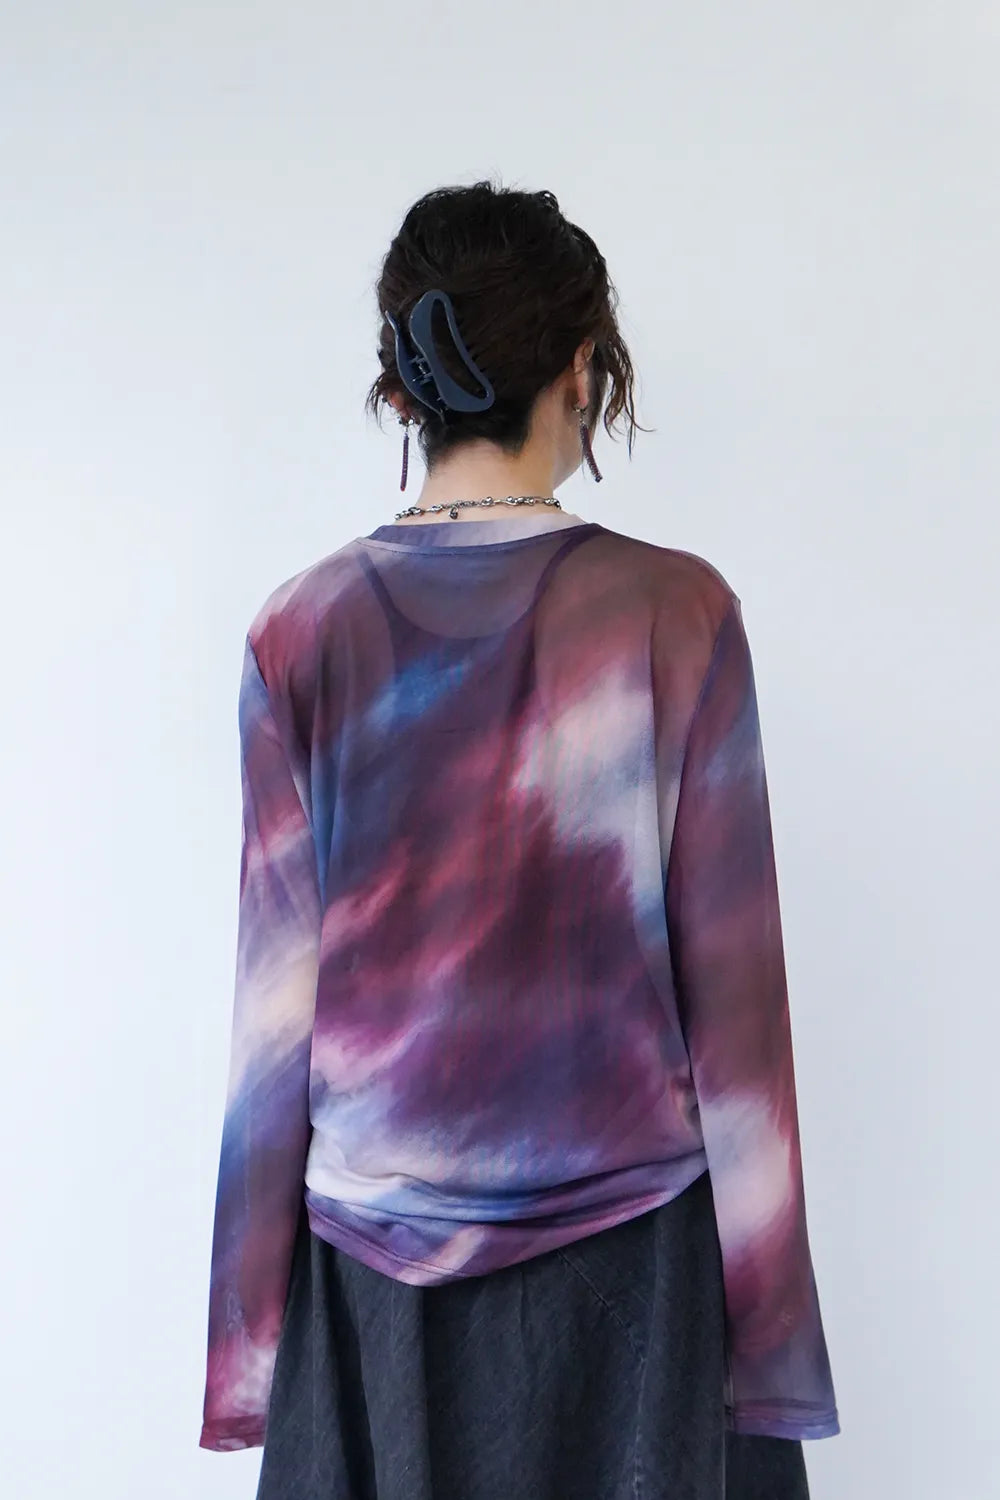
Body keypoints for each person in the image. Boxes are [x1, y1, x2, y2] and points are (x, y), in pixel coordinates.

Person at [198, 178, 840, 1499]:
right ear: (583, 369)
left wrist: (253, 1350)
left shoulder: (300, 633)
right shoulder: (676, 613)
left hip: (376, 1283)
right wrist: (769, 1342)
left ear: (402, 388)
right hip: (636, 1281)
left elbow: (273, 1031)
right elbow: (740, 1018)